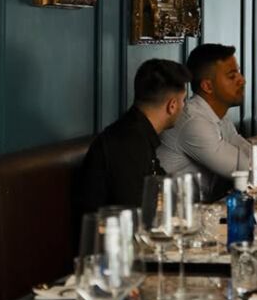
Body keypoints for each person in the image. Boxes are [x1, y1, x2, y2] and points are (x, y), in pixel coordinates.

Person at [158, 43, 257, 200]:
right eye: (232, 76)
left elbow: (251, 158)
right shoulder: (194, 123)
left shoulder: (218, 117)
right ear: (207, 86)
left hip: (208, 208)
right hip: (178, 214)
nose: (242, 80)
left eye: (239, 73)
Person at [78, 58, 191, 212]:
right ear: (172, 105)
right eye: (183, 100)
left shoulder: (137, 132)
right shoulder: (128, 142)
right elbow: (135, 211)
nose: (184, 107)